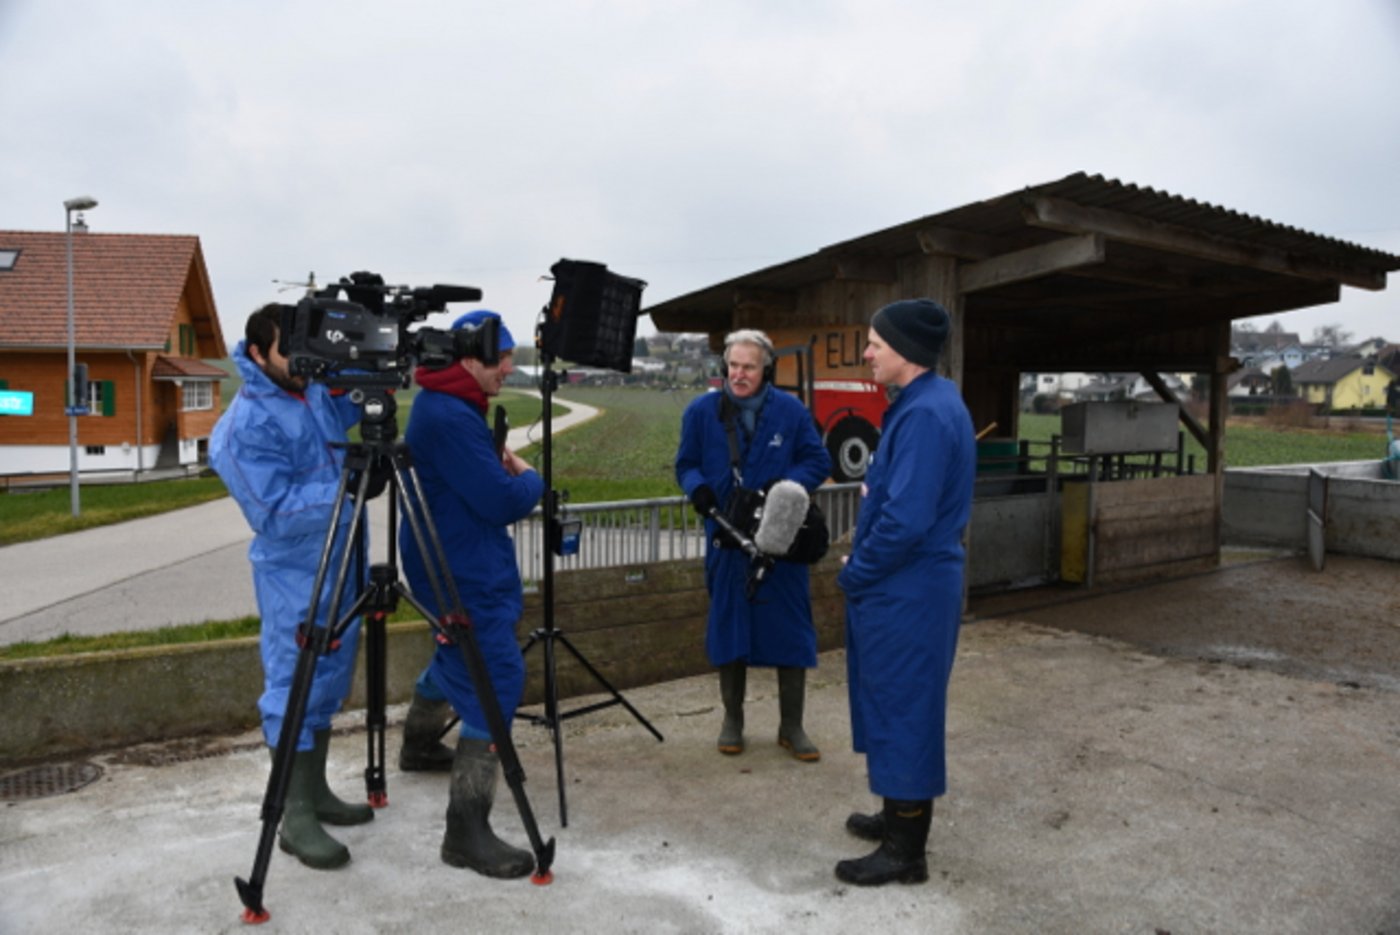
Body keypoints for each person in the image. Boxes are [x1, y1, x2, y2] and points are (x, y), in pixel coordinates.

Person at [210, 303, 374, 871]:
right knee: (293, 685)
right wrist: (349, 492)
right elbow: (272, 511)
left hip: (342, 558)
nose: (303, 363)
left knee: (327, 681)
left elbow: (345, 406)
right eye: (290, 352)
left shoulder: (309, 392)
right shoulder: (243, 428)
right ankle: (292, 814)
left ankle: (317, 791)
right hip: (294, 575)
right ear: (257, 353)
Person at [834, 298, 976, 886]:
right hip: (910, 585)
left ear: (907, 353)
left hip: (907, 588)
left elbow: (905, 521)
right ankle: (898, 814)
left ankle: (905, 851)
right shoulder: (924, 403)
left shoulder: (922, 416)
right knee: (894, 703)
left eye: (875, 343)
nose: (866, 353)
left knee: (906, 710)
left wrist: (856, 570)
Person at [398, 309, 543, 879]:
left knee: (452, 655)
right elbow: (503, 500)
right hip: (459, 567)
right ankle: (466, 832)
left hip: (449, 557)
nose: (508, 367)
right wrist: (529, 478)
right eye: (498, 358)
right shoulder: (451, 417)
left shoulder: (449, 405)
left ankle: (416, 745)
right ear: (466, 359)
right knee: (496, 678)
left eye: (508, 356)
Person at [675, 329, 832, 761]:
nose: (739, 374)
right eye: (734, 365)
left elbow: (819, 460)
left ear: (766, 369)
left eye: (749, 366)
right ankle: (732, 720)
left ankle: (792, 726)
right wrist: (698, 490)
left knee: (792, 631)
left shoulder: (791, 411)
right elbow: (685, 464)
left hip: (781, 541)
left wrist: (783, 493)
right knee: (730, 628)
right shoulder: (701, 412)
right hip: (726, 538)